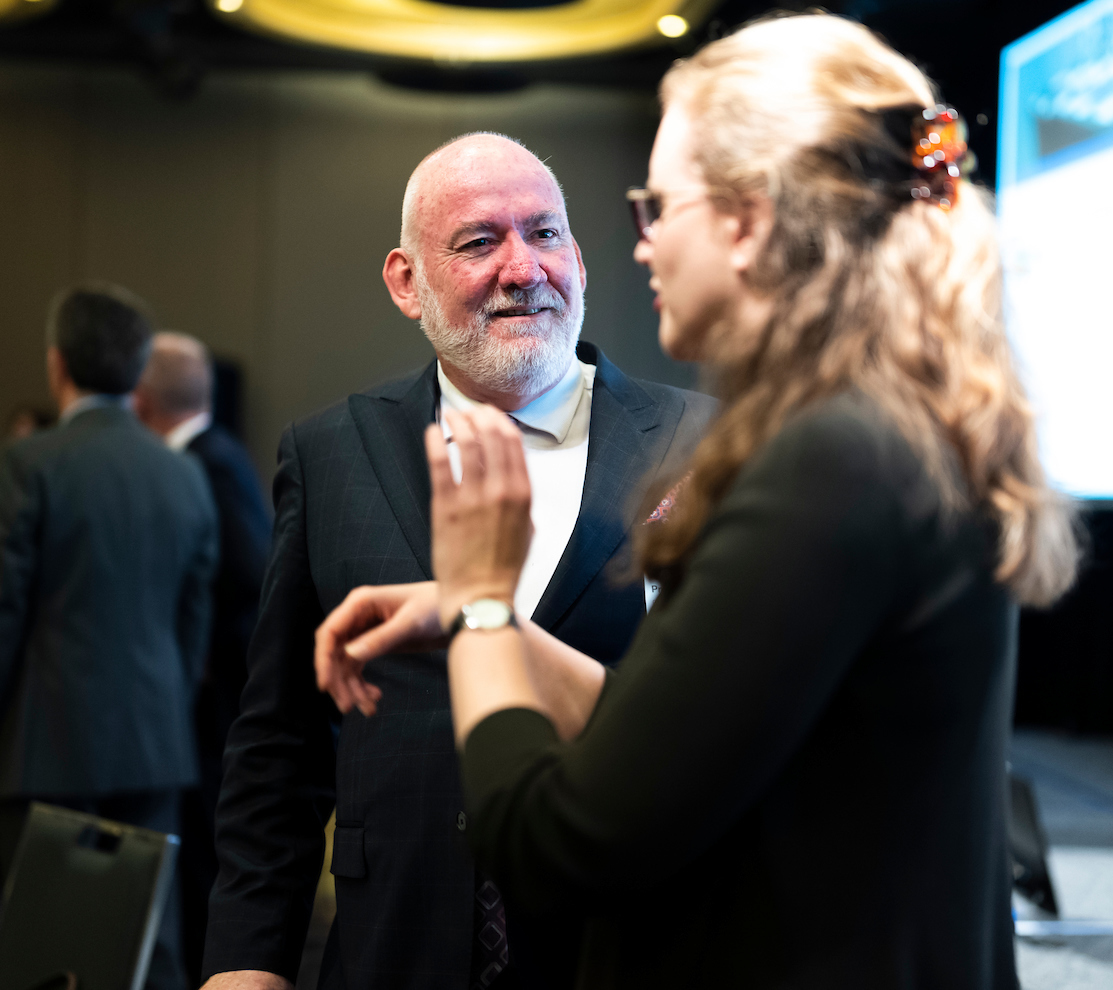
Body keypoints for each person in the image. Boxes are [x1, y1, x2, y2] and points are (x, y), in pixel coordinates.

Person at [314, 15, 1081, 990]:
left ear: (747, 223)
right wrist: (473, 621)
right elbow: (685, 730)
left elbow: (551, 843)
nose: (641, 247)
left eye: (658, 207)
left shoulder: (827, 464)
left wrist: (481, 607)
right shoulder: (880, 433)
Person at [200, 133, 715, 990]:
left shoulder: (706, 444)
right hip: (390, 950)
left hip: (622, 948)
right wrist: (246, 965)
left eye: (545, 234)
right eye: (480, 242)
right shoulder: (332, 454)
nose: (523, 268)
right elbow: (278, 744)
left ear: (580, 260)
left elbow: (723, 728)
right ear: (407, 282)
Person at [0, 283, 218, 990]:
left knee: (41, 950)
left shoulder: (28, 464)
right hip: (156, 741)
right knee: (148, 944)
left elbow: (5, 612)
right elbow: (194, 622)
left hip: (45, 745)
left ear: (57, 364)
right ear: (136, 370)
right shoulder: (183, 475)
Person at [135, 331, 273, 987]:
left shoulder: (207, 462)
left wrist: (202, 653)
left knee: (207, 853)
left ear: (141, 398)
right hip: (221, 693)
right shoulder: (214, 453)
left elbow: (248, 571)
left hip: (222, 698)